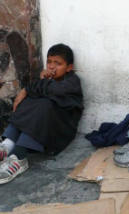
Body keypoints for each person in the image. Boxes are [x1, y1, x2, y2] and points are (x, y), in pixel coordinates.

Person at [0, 43, 83, 184]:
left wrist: (27, 89)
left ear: (69, 67)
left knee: (44, 104)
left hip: (61, 132)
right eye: (49, 62)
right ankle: (7, 146)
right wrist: (34, 87)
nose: (51, 67)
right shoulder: (48, 81)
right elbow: (42, 89)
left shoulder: (72, 82)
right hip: (46, 127)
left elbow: (55, 91)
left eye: (58, 63)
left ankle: (18, 157)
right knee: (27, 100)